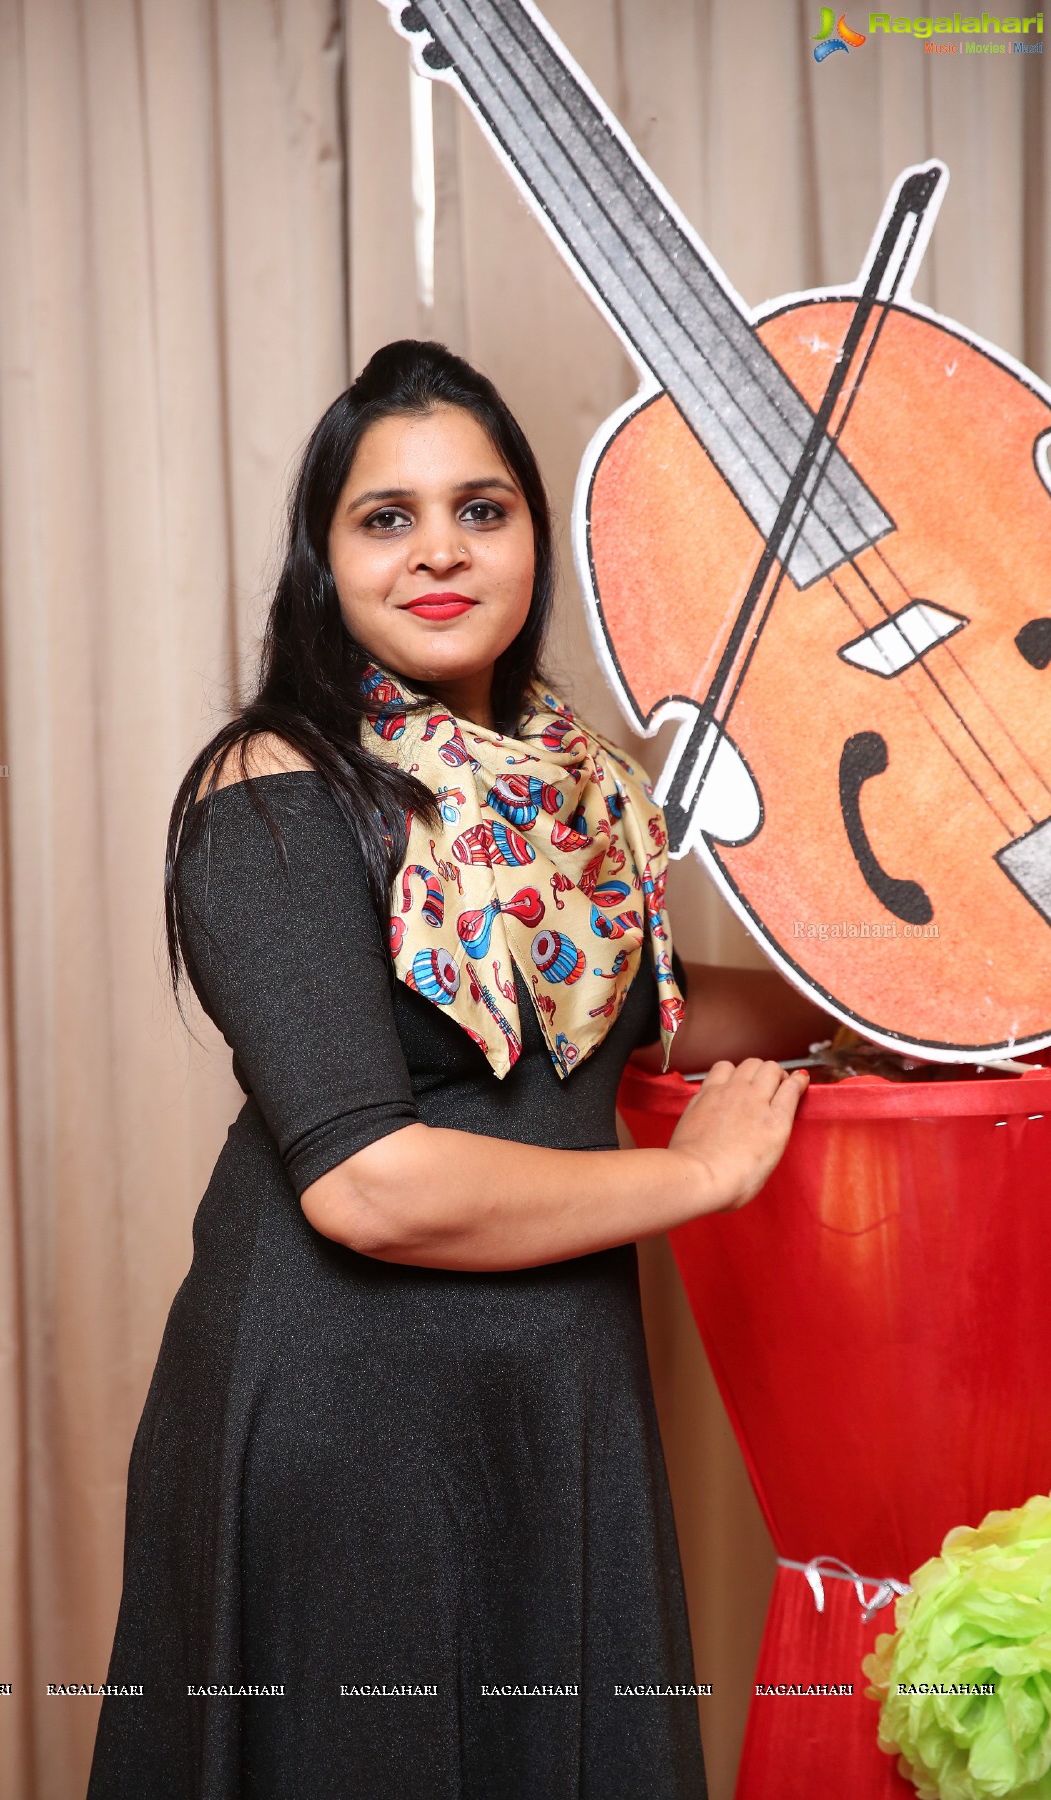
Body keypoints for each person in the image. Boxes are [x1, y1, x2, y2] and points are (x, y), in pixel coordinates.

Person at [87, 340, 827, 1800]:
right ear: (326, 557)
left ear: (534, 541)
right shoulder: (275, 787)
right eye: (388, 517)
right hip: (350, 1410)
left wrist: (873, 1002)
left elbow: (629, 1020)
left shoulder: (578, 793)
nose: (439, 550)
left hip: (552, 1395)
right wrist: (693, 1176)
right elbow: (367, 1183)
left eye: (481, 510)